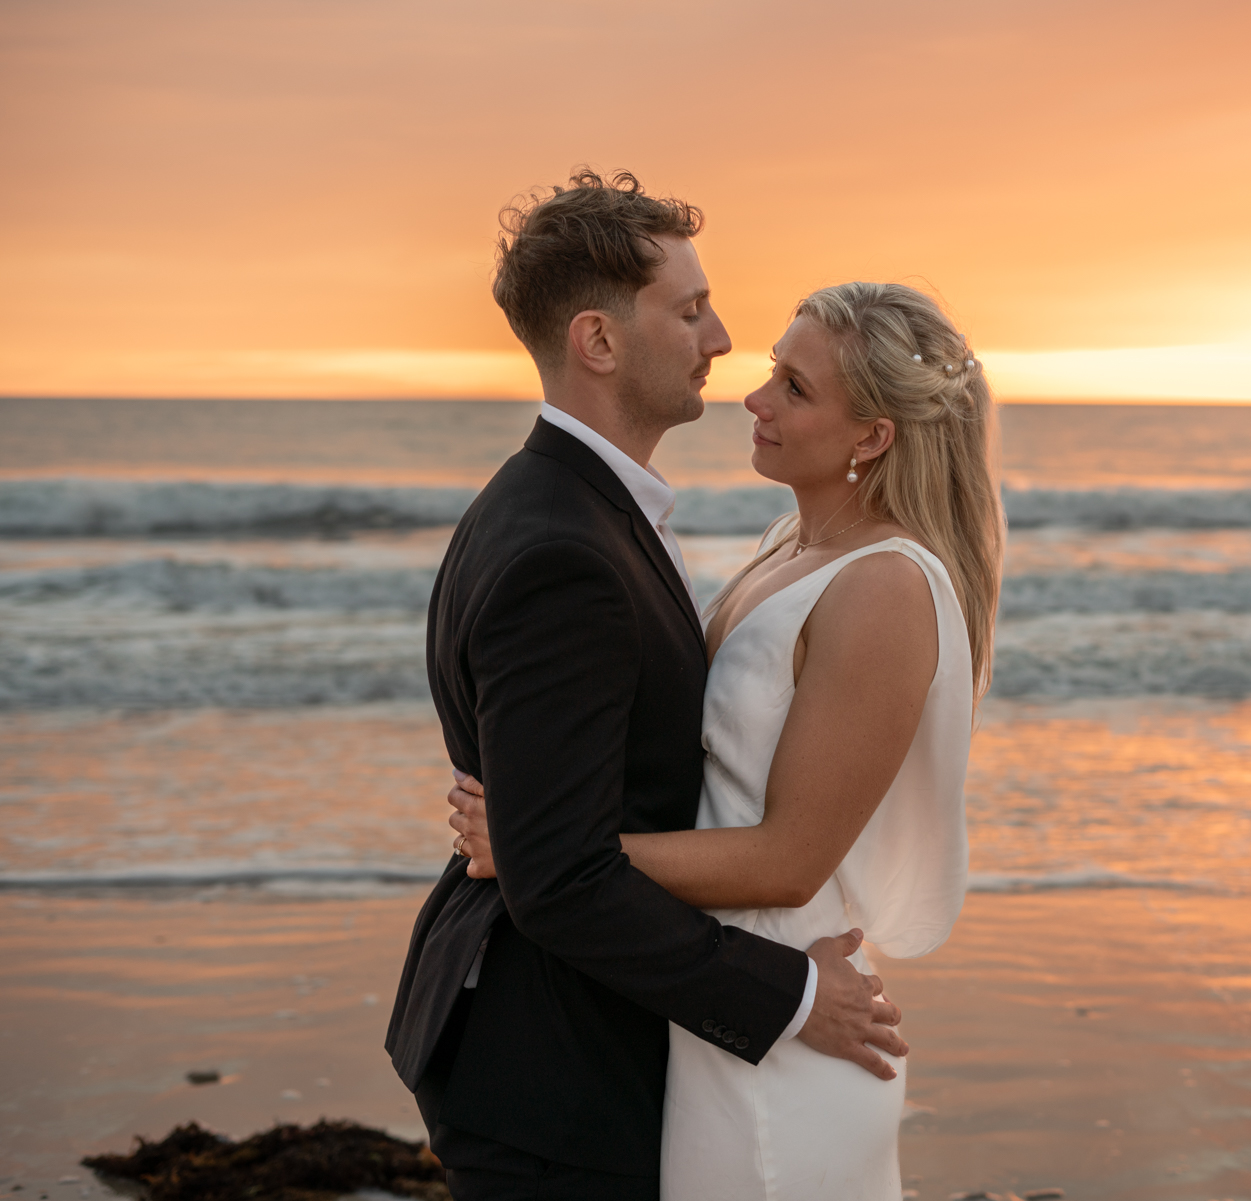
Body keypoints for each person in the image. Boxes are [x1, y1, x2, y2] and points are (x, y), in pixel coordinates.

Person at [386, 170, 909, 1201]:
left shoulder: (563, 507)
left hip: (565, 1046)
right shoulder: (563, 552)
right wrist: (798, 997)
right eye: (690, 308)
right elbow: (562, 882)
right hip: (553, 1071)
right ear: (600, 342)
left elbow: (560, 842)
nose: (718, 338)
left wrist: (535, 840)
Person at [447, 279, 1004, 1199]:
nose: (755, 397)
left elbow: (788, 859)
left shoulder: (885, 589)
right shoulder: (788, 547)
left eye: (795, 386)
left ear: (872, 437)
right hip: (723, 1002)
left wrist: (540, 850)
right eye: (773, 373)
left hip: (788, 1023)